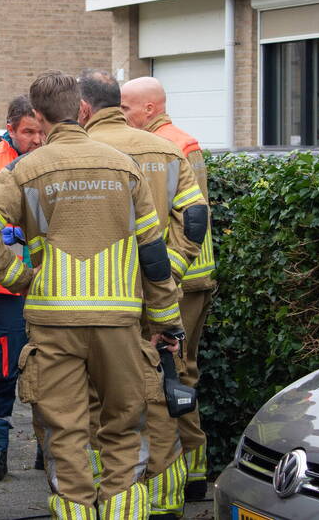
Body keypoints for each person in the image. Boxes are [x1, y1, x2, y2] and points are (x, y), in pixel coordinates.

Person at [0, 71, 184, 519]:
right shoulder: (124, 167)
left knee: (65, 433)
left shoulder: (25, 168)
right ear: (82, 109)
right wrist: (165, 320)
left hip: (53, 324)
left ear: (38, 118)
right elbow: (154, 255)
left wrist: (22, 277)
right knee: (123, 428)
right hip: (119, 323)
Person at [79, 69, 209, 519]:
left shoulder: (86, 153)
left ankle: (111, 491)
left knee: (106, 394)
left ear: (83, 109)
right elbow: (194, 218)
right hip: (164, 293)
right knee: (162, 385)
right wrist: (166, 275)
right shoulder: (169, 149)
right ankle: (167, 496)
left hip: (105, 297)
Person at [122, 76, 217, 502]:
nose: (121, 114)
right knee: (175, 371)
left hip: (184, 279)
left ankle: (191, 468)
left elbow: (194, 215)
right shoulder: (161, 143)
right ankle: (189, 469)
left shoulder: (179, 145)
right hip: (178, 276)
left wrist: (169, 274)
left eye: (126, 107)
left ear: (149, 108)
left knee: (179, 371)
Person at [0, 95, 45, 481]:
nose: (35, 138)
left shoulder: (50, 159)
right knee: (2, 370)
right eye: (27, 132)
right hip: (5, 289)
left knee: (50, 371)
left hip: (48, 287)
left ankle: (47, 449)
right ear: (11, 128)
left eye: (39, 130)